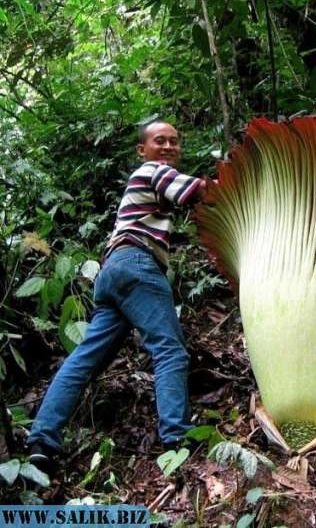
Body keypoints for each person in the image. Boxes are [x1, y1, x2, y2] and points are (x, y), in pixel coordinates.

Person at [27, 120, 212, 473]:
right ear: (143, 149)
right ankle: (177, 437)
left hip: (112, 272)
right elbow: (200, 191)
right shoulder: (153, 170)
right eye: (161, 141)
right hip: (138, 265)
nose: (170, 147)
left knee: (85, 359)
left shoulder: (147, 182)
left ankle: (41, 440)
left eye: (175, 141)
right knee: (169, 349)